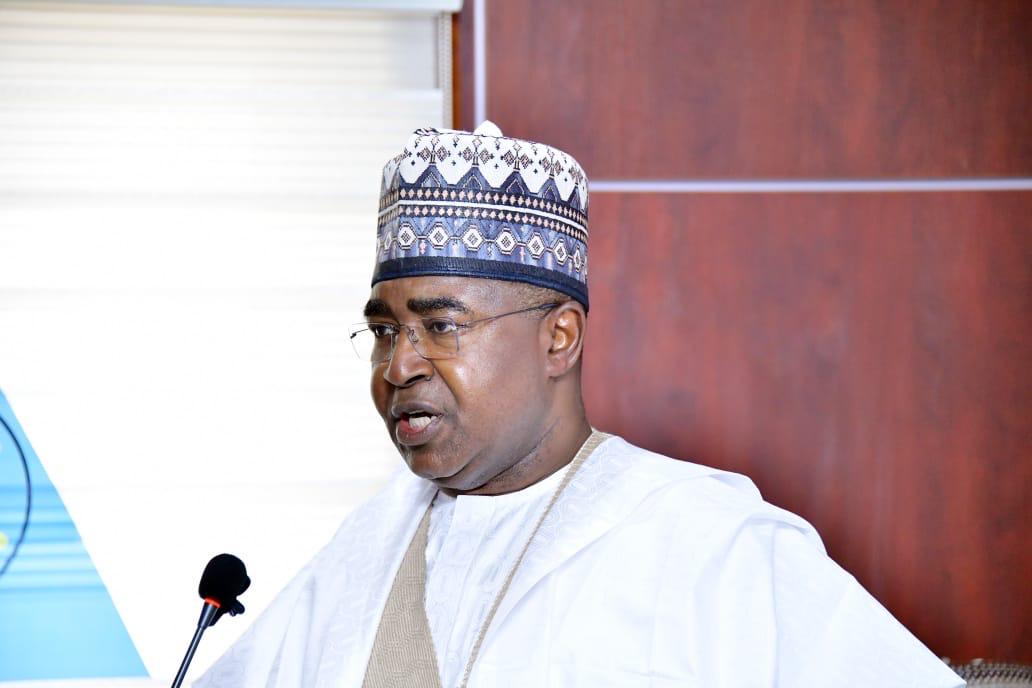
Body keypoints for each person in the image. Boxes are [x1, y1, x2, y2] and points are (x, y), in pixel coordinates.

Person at [194, 123, 963, 687]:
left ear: (559, 338)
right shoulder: (364, 549)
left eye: (442, 326)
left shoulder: (712, 543)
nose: (398, 365)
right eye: (385, 331)